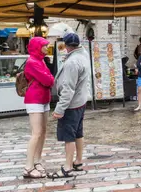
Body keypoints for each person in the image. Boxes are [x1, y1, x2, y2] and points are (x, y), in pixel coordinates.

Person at [50, 33, 89, 180]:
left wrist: (59, 109)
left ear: (66, 46)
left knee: (69, 136)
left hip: (72, 104)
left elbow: (68, 89)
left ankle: (67, 167)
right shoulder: (83, 55)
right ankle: (78, 161)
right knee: (78, 132)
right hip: (81, 101)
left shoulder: (72, 62)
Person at [23, 37, 54, 179]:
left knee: (43, 132)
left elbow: (49, 79)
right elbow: (48, 80)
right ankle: (28, 167)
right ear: (37, 46)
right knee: (36, 133)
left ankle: (37, 161)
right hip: (34, 99)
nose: (47, 48)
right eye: (44, 46)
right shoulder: (32, 62)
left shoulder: (41, 60)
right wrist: (49, 78)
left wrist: (49, 78)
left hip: (44, 99)